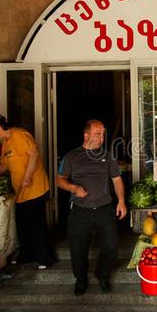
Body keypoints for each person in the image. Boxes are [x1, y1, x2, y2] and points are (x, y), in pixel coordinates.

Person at [56, 120, 127, 296]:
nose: (101, 138)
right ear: (86, 135)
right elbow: (59, 179)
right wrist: (73, 188)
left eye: (103, 134)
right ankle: (80, 280)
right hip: (80, 210)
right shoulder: (72, 157)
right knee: (78, 249)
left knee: (111, 247)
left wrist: (121, 201)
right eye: (97, 134)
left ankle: (102, 274)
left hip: (104, 209)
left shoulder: (107, 156)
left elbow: (117, 180)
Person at [0, 112, 56, 269]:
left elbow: (34, 154)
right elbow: (4, 165)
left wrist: (28, 176)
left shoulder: (19, 135)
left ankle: (46, 258)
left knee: (36, 224)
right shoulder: (6, 143)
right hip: (21, 191)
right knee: (22, 224)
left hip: (34, 187)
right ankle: (28, 255)